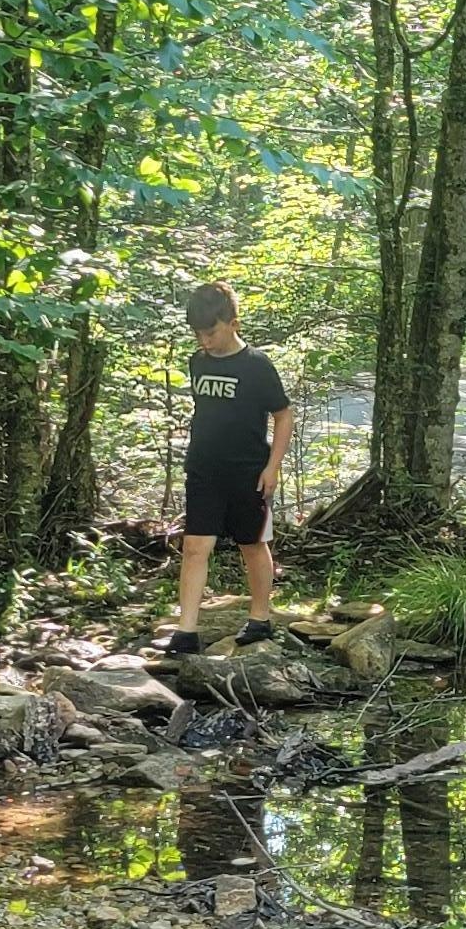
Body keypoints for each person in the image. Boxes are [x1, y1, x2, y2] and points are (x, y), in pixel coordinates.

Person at [165, 279, 293, 653]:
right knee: (195, 546)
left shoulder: (257, 366)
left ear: (233, 323)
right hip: (204, 470)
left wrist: (273, 467)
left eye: (211, 332)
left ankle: (260, 618)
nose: (204, 341)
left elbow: (284, 415)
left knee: (252, 544)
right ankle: (186, 630)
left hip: (248, 472)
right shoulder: (198, 362)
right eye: (198, 334)